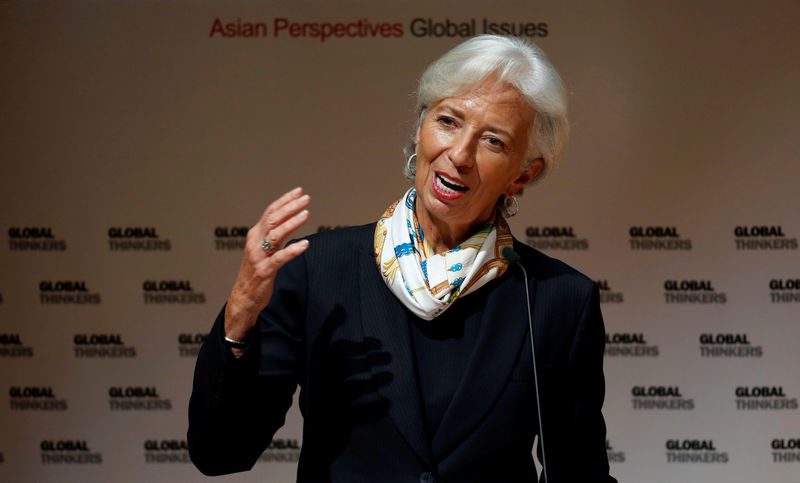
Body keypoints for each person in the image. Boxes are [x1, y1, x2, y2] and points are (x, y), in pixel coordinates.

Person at [189, 35, 616, 482]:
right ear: (420, 128)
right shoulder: (319, 272)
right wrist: (240, 314)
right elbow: (220, 453)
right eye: (448, 121)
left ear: (524, 174)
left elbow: (578, 473)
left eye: (493, 141)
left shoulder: (557, 300)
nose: (460, 154)